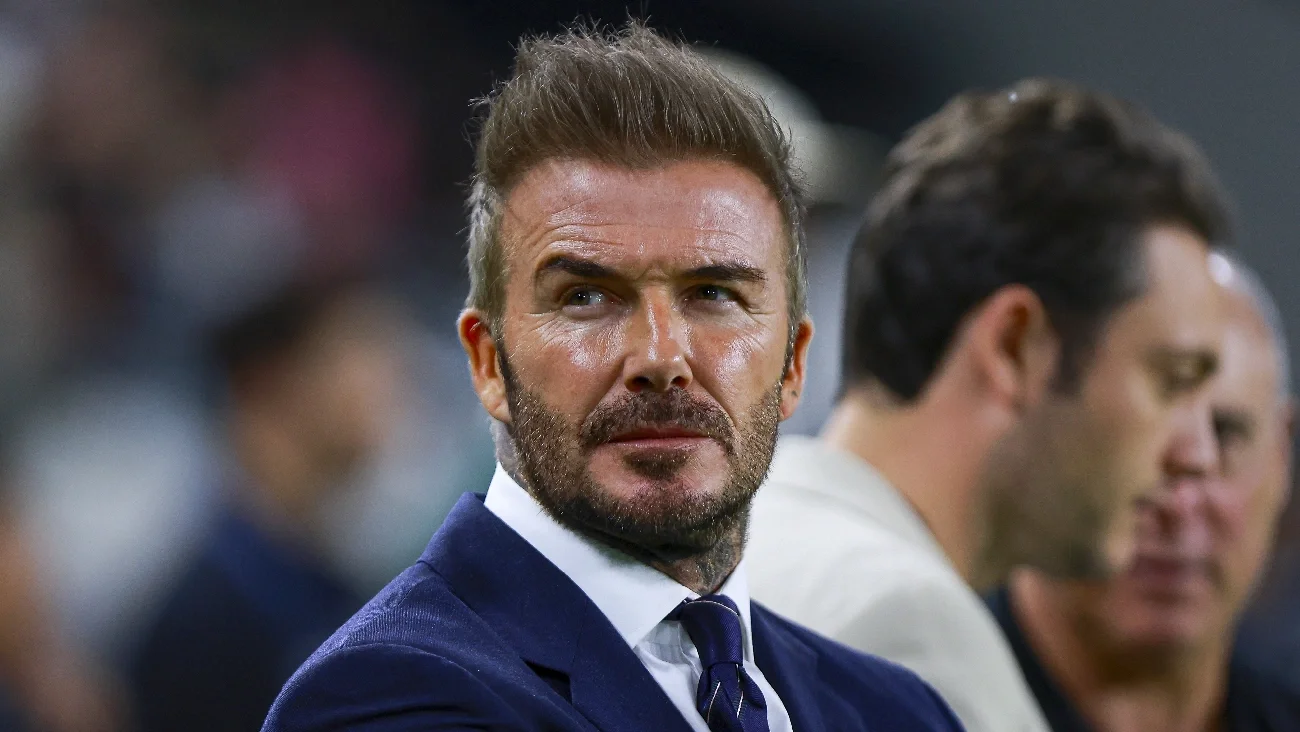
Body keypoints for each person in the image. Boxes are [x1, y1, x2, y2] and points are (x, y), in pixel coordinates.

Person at [263, 21, 962, 732]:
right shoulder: (386, 700)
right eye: (587, 297)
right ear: (488, 362)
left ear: (793, 364)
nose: (661, 356)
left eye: (714, 293)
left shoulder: (897, 711)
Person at [746, 78, 1234, 732]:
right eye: (1171, 380)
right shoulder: (909, 632)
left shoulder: (743, 539)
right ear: (1014, 346)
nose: (1197, 454)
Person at [986, 252, 1300, 731]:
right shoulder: (912, 705)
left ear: (1281, 455)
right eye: (1135, 434)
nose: (1180, 504)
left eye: (1225, 436)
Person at [128, 279, 408, 732]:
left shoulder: (326, 583)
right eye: (351, 355)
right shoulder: (207, 621)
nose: (384, 383)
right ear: (269, 378)